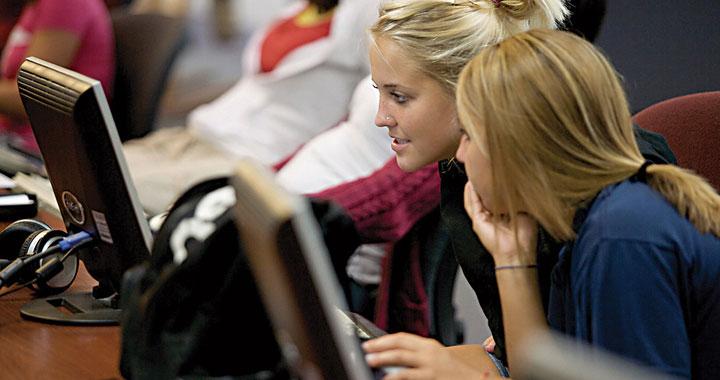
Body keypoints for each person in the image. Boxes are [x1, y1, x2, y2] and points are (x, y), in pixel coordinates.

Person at [455, 29, 720, 378]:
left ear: (519, 146)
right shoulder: (589, 224)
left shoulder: (622, 235)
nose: (460, 155)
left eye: (469, 135)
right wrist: (511, 256)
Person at [123, 0, 378, 215]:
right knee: (96, 169)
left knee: (115, 190)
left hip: (244, 160)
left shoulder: (369, 12)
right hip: (196, 135)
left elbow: (385, 94)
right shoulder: (303, 9)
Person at [0, 0, 114, 154]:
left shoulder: (65, 3)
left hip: (41, 148)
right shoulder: (35, 5)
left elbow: (31, 97)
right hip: (15, 139)